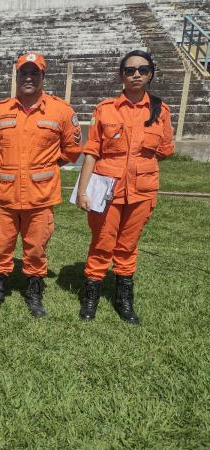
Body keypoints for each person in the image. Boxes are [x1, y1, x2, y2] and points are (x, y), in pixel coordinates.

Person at [0, 52, 81, 316]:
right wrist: (6, 166)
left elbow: (71, 150)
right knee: (1, 246)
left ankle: (34, 291)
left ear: (43, 77)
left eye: (35, 73)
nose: (29, 78)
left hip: (41, 196)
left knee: (36, 248)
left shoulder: (61, 111)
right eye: (24, 72)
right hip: (5, 194)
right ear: (16, 76)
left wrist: (44, 168)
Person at [76, 50, 174, 324]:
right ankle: (91, 296)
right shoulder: (105, 109)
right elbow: (92, 152)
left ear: (151, 73)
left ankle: (123, 298)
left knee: (128, 245)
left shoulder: (161, 111)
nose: (136, 75)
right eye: (130, 70)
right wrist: (83, 192)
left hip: (142, 190)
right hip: (107, 188)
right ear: (121, 74)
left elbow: (165, 149)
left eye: (143, 70)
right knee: (102, 242)